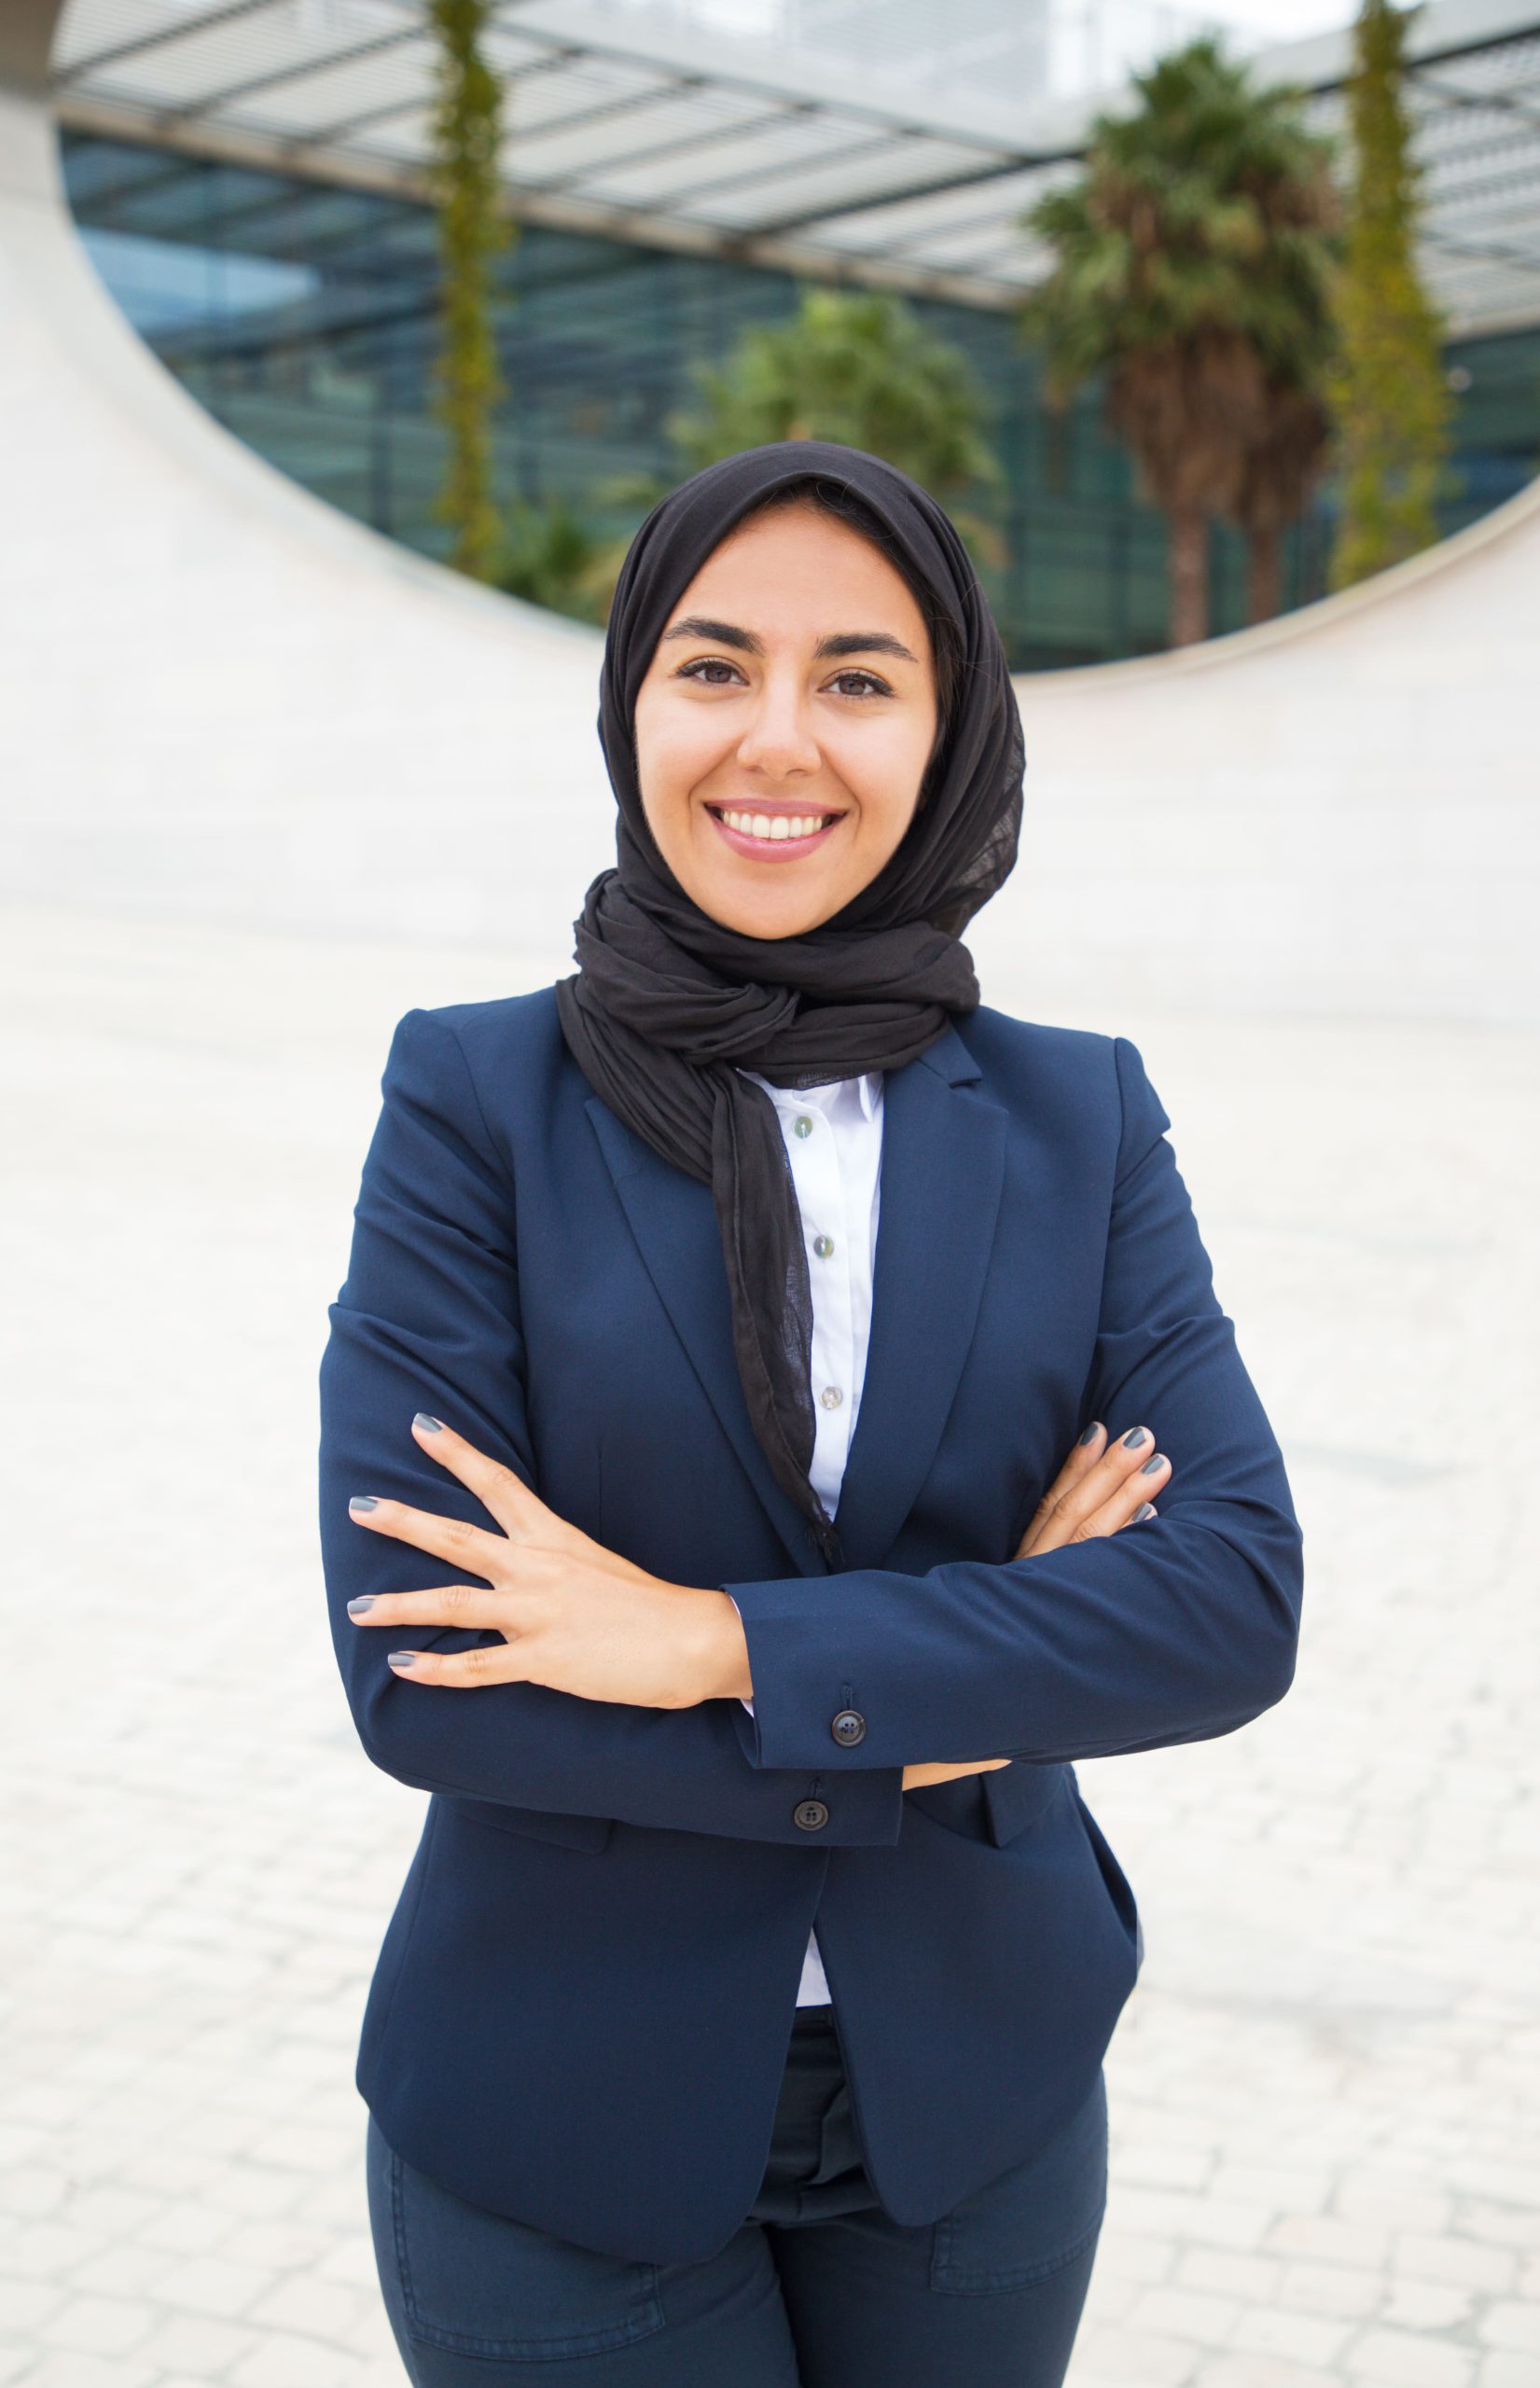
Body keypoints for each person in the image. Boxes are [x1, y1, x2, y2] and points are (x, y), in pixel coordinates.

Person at [316, 441, 1303, 2387]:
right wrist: (955, 1702)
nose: (775, 739)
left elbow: (1226, 1594)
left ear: (946, 729)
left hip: (973, 2106)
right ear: (631, 702)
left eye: (856, 676)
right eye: (712, 665)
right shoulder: (475, 1101)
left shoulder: (1072, 1114)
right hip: (557, 2114)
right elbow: (426, 1672)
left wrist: (695, 1640)